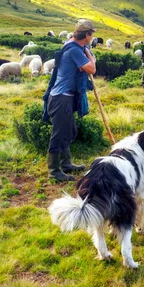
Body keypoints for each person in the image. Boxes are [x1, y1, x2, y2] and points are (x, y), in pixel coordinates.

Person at [42, 19, 97, 182]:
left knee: (70, 131)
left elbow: (86, 62)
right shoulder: (74, 51)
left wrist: (87, 53)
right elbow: (92, 68)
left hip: (65, 97)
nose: (92, 37)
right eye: (92, 34)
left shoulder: (75, 46)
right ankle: (54, 170)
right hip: (61, 98)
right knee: (59, 134)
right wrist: (90, 58)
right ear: (87, 35)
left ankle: (66, 164)